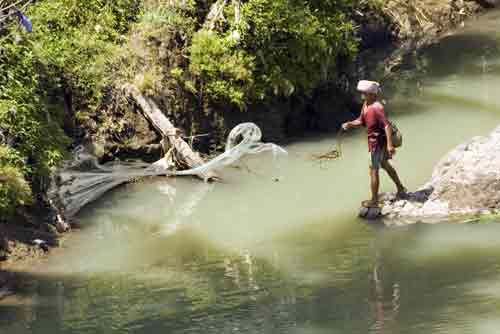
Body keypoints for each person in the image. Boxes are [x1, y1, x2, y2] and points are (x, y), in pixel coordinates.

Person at [342, 80, 406, 208]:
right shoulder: (366, 104)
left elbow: (386, 125)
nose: (362, 96)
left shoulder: (377, 107)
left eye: (364, 93)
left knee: (373, 170)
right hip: (373, 142)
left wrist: (389, 145)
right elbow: (361, 120)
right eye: (362, 93)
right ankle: (400, 188)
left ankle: (374, 201)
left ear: (372, 94)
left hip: (378, 143)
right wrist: (350, 124)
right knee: (384, 164)